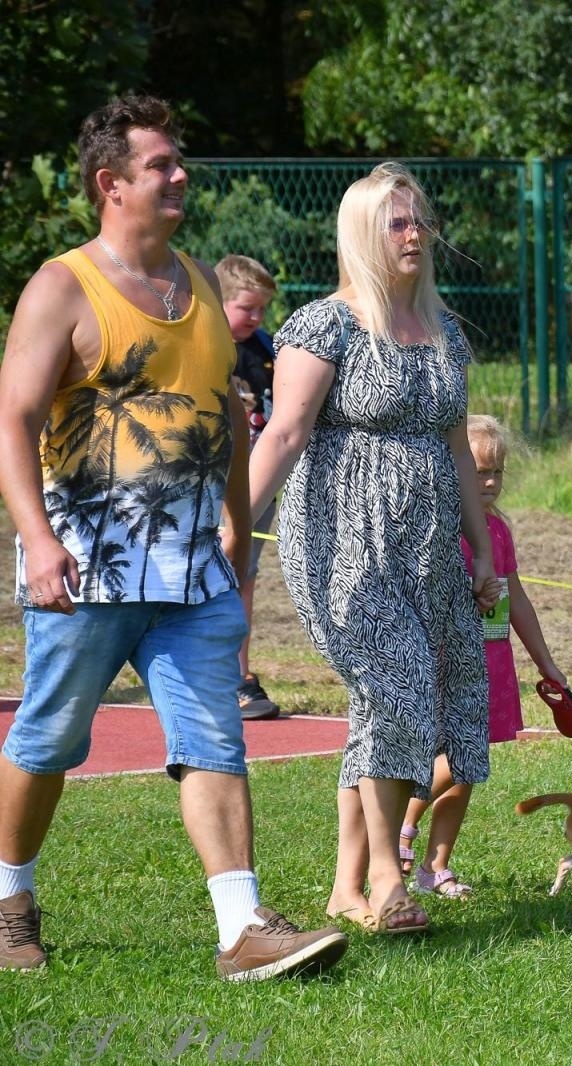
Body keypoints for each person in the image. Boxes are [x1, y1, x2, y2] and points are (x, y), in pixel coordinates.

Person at [0, 93, 347, 980]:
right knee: (48, 741)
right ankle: (9, 898)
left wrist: (237, 521)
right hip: (87, 573)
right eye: (161, 165)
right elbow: (13, 419)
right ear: (112, 184)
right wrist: (38, 542)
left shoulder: (198, 285)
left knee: (212, 740)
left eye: (178, 160)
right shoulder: (60, 287)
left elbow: (223, 418)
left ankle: (242, 928)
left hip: (191, 573)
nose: (180, 174)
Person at [233, 162, 499, 936]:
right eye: (398, 223)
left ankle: (345, 887)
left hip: (429, 550)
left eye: (420, 221)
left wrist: (481, 553)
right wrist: (229, 530)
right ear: (363, 234)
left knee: (403, 704)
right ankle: (389, 883)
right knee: (399, 688)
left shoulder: (445, 330)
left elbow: (457, 449)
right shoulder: (325, 325)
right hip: (345, 544)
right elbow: (282, 435)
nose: (416, 234)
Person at [398, 414, 568, 898]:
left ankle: (436, 867)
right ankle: (402, 828)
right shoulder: (437, 529)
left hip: (491, 662)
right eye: (479, 471)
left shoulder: (497, 531)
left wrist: (545, 662)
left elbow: (518, 601)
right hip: (445, 657)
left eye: (498, 471)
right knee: (451, 754)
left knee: (468, 765)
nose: (490, 481)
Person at [217, 254, 281, 720]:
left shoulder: (266, 348)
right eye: (246, 308)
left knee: (243, 576)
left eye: (262, 309)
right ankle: (210, 675)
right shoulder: (205, 345)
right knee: (211, 572)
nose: (256, 318)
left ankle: (238, 675)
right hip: (212, 480)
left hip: (259, 480)